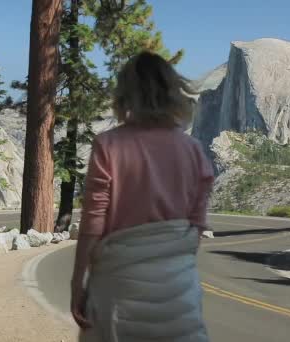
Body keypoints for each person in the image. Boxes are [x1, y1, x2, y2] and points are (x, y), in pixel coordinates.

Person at [70, 51, 214, 342]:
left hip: (117, 293)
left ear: (125, 94)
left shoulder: (107, 145)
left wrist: (77, 283)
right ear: (174, 92)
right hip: (178, 296)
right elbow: (196, 228)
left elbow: (93, 223)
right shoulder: (193, 150)